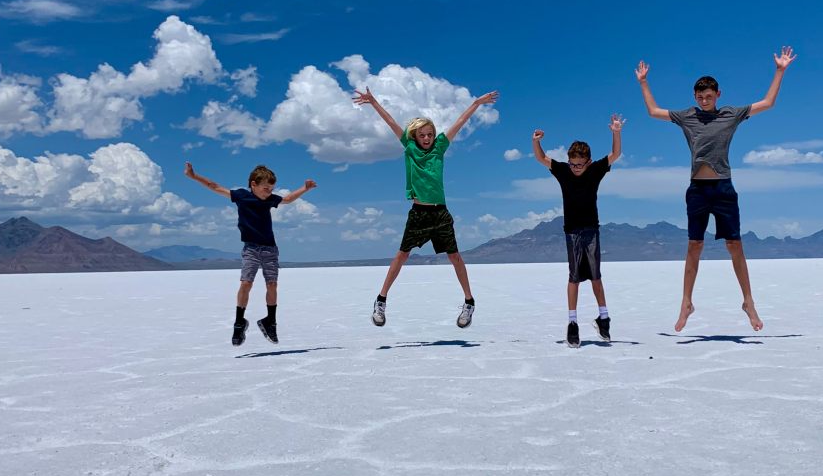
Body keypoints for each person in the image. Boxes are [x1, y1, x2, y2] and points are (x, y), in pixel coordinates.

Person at [635, 47, 797, 332]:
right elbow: (652, 111)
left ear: (718, 95)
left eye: (709, 96)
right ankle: (686, 302)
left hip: (723, 188)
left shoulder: (730, 115)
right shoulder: (687, 117)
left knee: (735, 245)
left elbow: (768, 103)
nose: (704, 99)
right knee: (694, 246)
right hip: (697, 189)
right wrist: (644, 82)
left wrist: (780, 70)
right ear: (695, 97)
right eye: (700, 96)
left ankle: (748, 301)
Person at [352, 87, 500, 328]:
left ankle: (469, 302)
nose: (427, 138)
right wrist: (374, 102)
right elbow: (391, 122)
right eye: (423, 135)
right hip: (419, 213)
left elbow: (459, 123)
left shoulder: (440, 148)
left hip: (440, 212)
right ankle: (381, 301)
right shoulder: (409, 149)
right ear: (415, 136)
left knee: (454, 256)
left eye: (430, 134)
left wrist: (476, 103)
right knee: (402, 255)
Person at [184, 162, 316, 346]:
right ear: (253, 184)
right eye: (265, 188)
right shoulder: (241, 196)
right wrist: (194, 176)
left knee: (272, 285)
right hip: (251, 249)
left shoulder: (269, 200)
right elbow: (214, 186)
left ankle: (270, 321)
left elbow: (286, 200)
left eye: (271, 189)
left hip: (270, 249)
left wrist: (305, 188)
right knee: (246, 283)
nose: (269, 192)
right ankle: (239, 323)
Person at [531, 115, 624, 348]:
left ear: (589, 162)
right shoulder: (563, 171)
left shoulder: (595, 171)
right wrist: (536, 141)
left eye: (580, 165)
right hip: (571, 231)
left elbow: (615, 154)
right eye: (572, 164)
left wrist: (616, 132)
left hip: (592, 229)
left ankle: (604, 319)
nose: (575, 169)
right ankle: (572, 324)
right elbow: (541, 158)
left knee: (595, 276)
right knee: (574, 277)